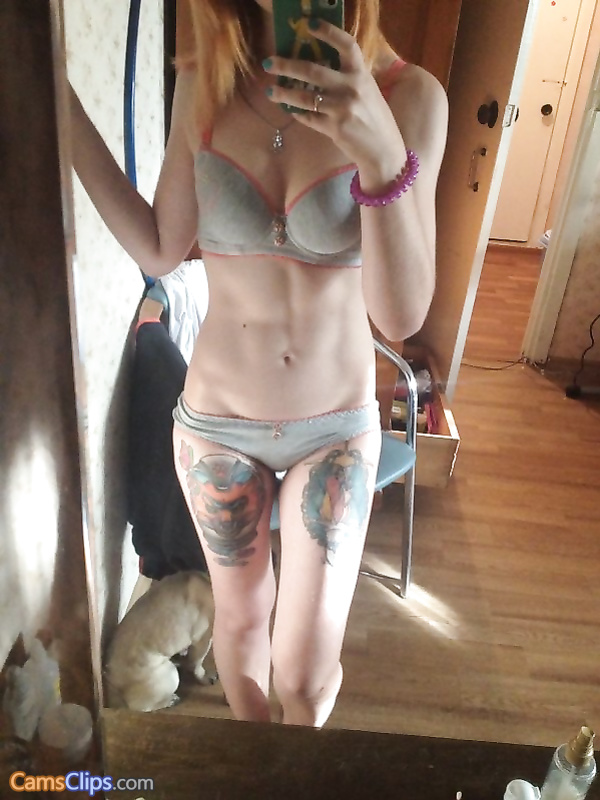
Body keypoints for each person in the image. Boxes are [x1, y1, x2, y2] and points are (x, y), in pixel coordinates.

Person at [70, 0, 448, 728]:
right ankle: (257, 760)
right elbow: (160, 247)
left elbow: (401, 317)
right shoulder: (206, 78)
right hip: (216, 424)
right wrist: (63, 109)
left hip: (334, 430)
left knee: (304, 673)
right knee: (240, 629)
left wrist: (379, 153)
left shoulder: (410, 97)